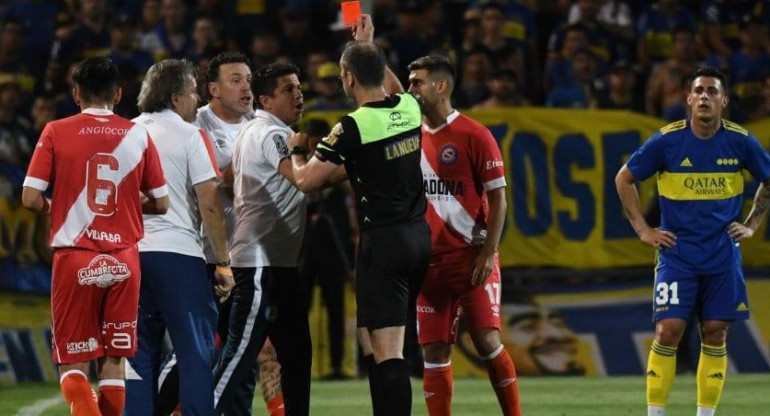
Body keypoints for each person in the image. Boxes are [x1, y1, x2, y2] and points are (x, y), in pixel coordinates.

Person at [288, 14, 430, 416]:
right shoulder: (407, 108)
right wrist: (368, 46)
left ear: (347, 78)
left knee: (387, 351)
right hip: (419, 236)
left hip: (383, 240)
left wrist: (295, 150)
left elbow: (305, 181)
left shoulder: (352, 126)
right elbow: (395, 88)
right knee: (372, 338)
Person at [615, 66, 770, 416]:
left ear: (724, 101)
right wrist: (643, 230)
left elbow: (769, 179)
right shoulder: (666, 141)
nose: (704, 96)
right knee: (668, 330)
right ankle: (655, 414)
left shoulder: (741, 141)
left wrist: (751, 224)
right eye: (698, 91)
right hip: (678, 254)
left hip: (722, 255)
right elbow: (624, 179)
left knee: (715, 332)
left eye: (712, 92)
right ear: (688, 100)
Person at [20, 56, 169, 416]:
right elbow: (162, 203)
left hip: (77, 258)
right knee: (114, 361)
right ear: (118, 94)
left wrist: (59, 206)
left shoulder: (56, 130)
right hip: (124, 260)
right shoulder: (138, 133)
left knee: (74, 364)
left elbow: (29, 198)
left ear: (75, 94)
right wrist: (125, 208)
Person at [406, 54, 522, 416]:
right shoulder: (409, 135)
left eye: (418, 82)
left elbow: (498, 197)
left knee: (487, 341)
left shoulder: (475, 134)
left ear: (441, 86)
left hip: (472, 259)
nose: (411, 89)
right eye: (409, 81)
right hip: (429, 262)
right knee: (435, 350)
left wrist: (489, 252)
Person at [124, 59, 234, 416]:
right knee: (195, 355)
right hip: (178, 257)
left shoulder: (125, 132)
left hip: (131, 257)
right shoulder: (190, 135)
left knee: (136, 357)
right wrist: (223, 262)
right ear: (174, 98)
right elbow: (210, 205)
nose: (196, 98)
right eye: (191, 91)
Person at [212, 61, 311, 416]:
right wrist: (303, 152)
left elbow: (226, 178)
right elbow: (300, 178)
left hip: (277, 265)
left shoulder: (251, 131)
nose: (298, 94)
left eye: (299, 87)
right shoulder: (273, 135)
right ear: (266, 101)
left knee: (296, 356)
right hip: (259, 265)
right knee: (239, 356)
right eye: (288, 89)